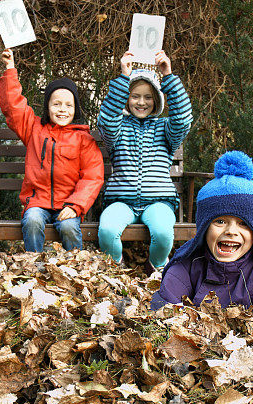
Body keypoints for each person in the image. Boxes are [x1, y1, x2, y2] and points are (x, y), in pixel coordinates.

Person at [150, 151, 253, 322]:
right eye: (220, 221)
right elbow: (162, 313)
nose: (231, 231)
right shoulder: (186, 268)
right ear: (204, 229)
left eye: (243, 223)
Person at [97, 49, 193, 272]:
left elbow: (183, 118)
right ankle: (115, 268)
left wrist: (167, 76)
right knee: (107, 230)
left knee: (162, 232)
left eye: (148, 97)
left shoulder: (166, 129)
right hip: (121, 201)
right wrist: (123, 77)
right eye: (135, 96)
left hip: (158, 201)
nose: (141, 102)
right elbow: (107, 119)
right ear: (126, 98)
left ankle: (156, 266)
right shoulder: (118, 128)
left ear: (157, 100)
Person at [0, 48, 104, 252]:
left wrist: (76, 206)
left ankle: (75, 269)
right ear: (47, 107)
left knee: (68, 227)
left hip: (69, 203)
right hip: (38, 201)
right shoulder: (33, 128)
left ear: (76, 110)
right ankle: (33, 265)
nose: (62, 109)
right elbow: (13, 107)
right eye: (56, 104)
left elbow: (93, 177)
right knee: (32, 221)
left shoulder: (84, 139)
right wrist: (10, 68)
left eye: (68, 105)